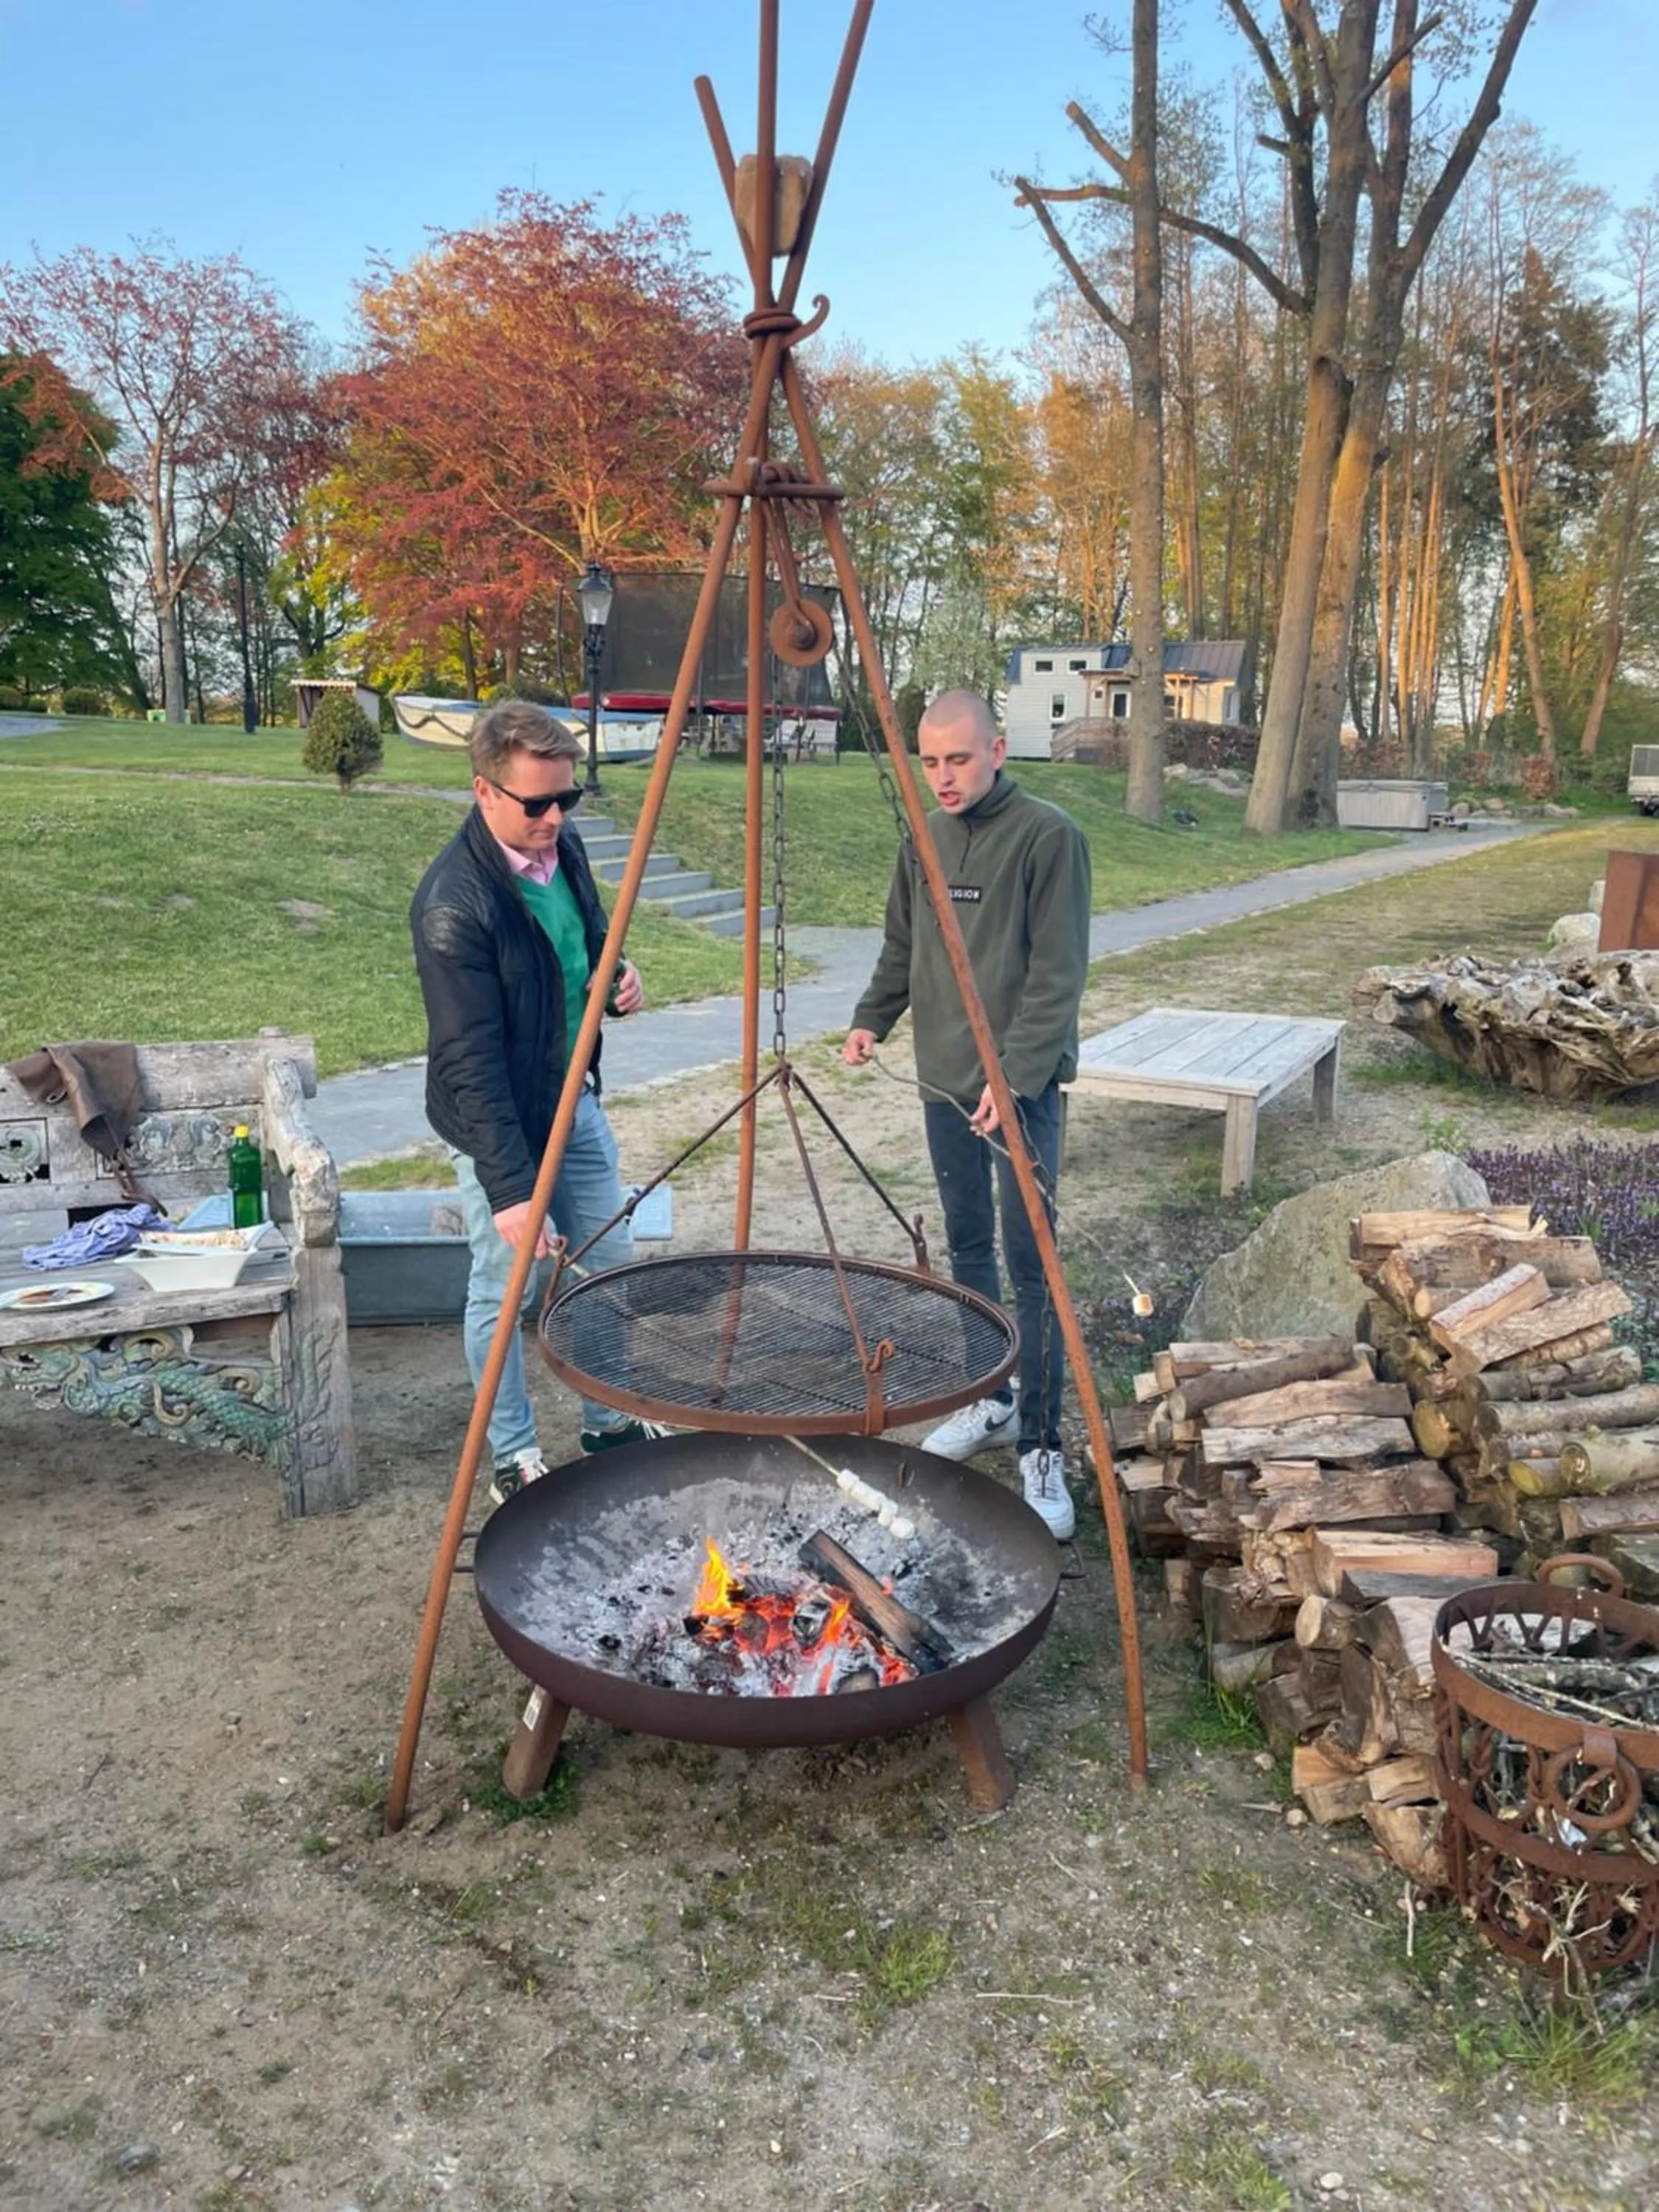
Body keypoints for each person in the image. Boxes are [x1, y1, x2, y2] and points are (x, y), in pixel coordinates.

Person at [843, 689, 1091, 1539]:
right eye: (931, 760)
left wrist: (1016, 1073)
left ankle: (1042, 1444)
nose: (943, 777)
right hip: (943, 1081)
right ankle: (990, 1397)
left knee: (1032, 1259)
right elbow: (903, 947)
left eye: (959, 758)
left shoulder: (1049, 838)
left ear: (996, 752)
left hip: (1018, 1088)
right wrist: (873, 1018)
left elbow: (1059, 974)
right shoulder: (922, 838)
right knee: (968, 1247)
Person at [411, 699, 658, 1505]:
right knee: (504, 1286)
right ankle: (512, 1451)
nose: (555, 816)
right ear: (485, 792)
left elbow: (587, 943)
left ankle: (608, 1419)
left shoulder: (565, 848)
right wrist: (511, 1189)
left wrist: (616, 982)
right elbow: (467, 1057)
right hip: (500, 1121)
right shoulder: (454, 904)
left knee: (605, 1265)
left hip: (572, 1101)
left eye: (568, 799)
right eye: (537, 803)